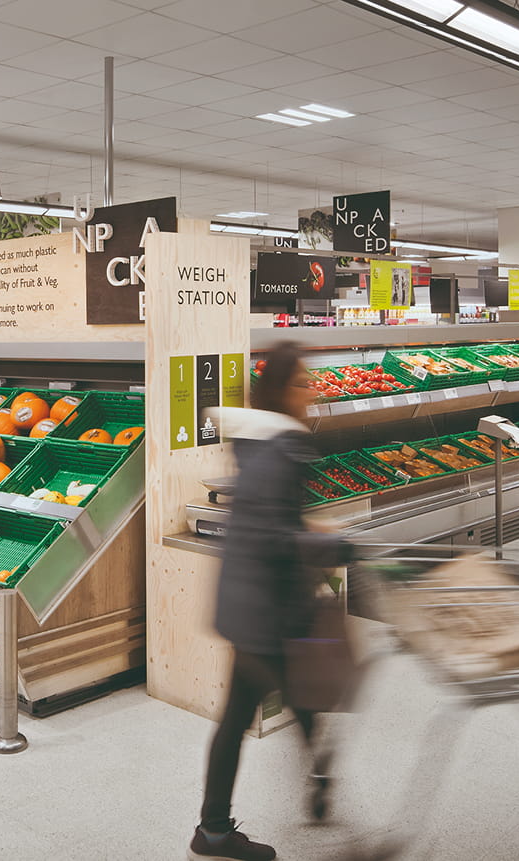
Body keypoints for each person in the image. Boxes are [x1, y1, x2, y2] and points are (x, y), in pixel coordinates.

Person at [190, 342, 353, 861]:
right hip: (266, 610)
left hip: (253, 604)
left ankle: (314, 779)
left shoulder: (262, 443)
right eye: (304, 382)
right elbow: (272, 537)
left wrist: (308, 528)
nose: (314, 390)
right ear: (283, 392)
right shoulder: (283, 450)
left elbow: (273, 521)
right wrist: (332, 544)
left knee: (263, 707)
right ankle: (216, 830)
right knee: (276, 703)